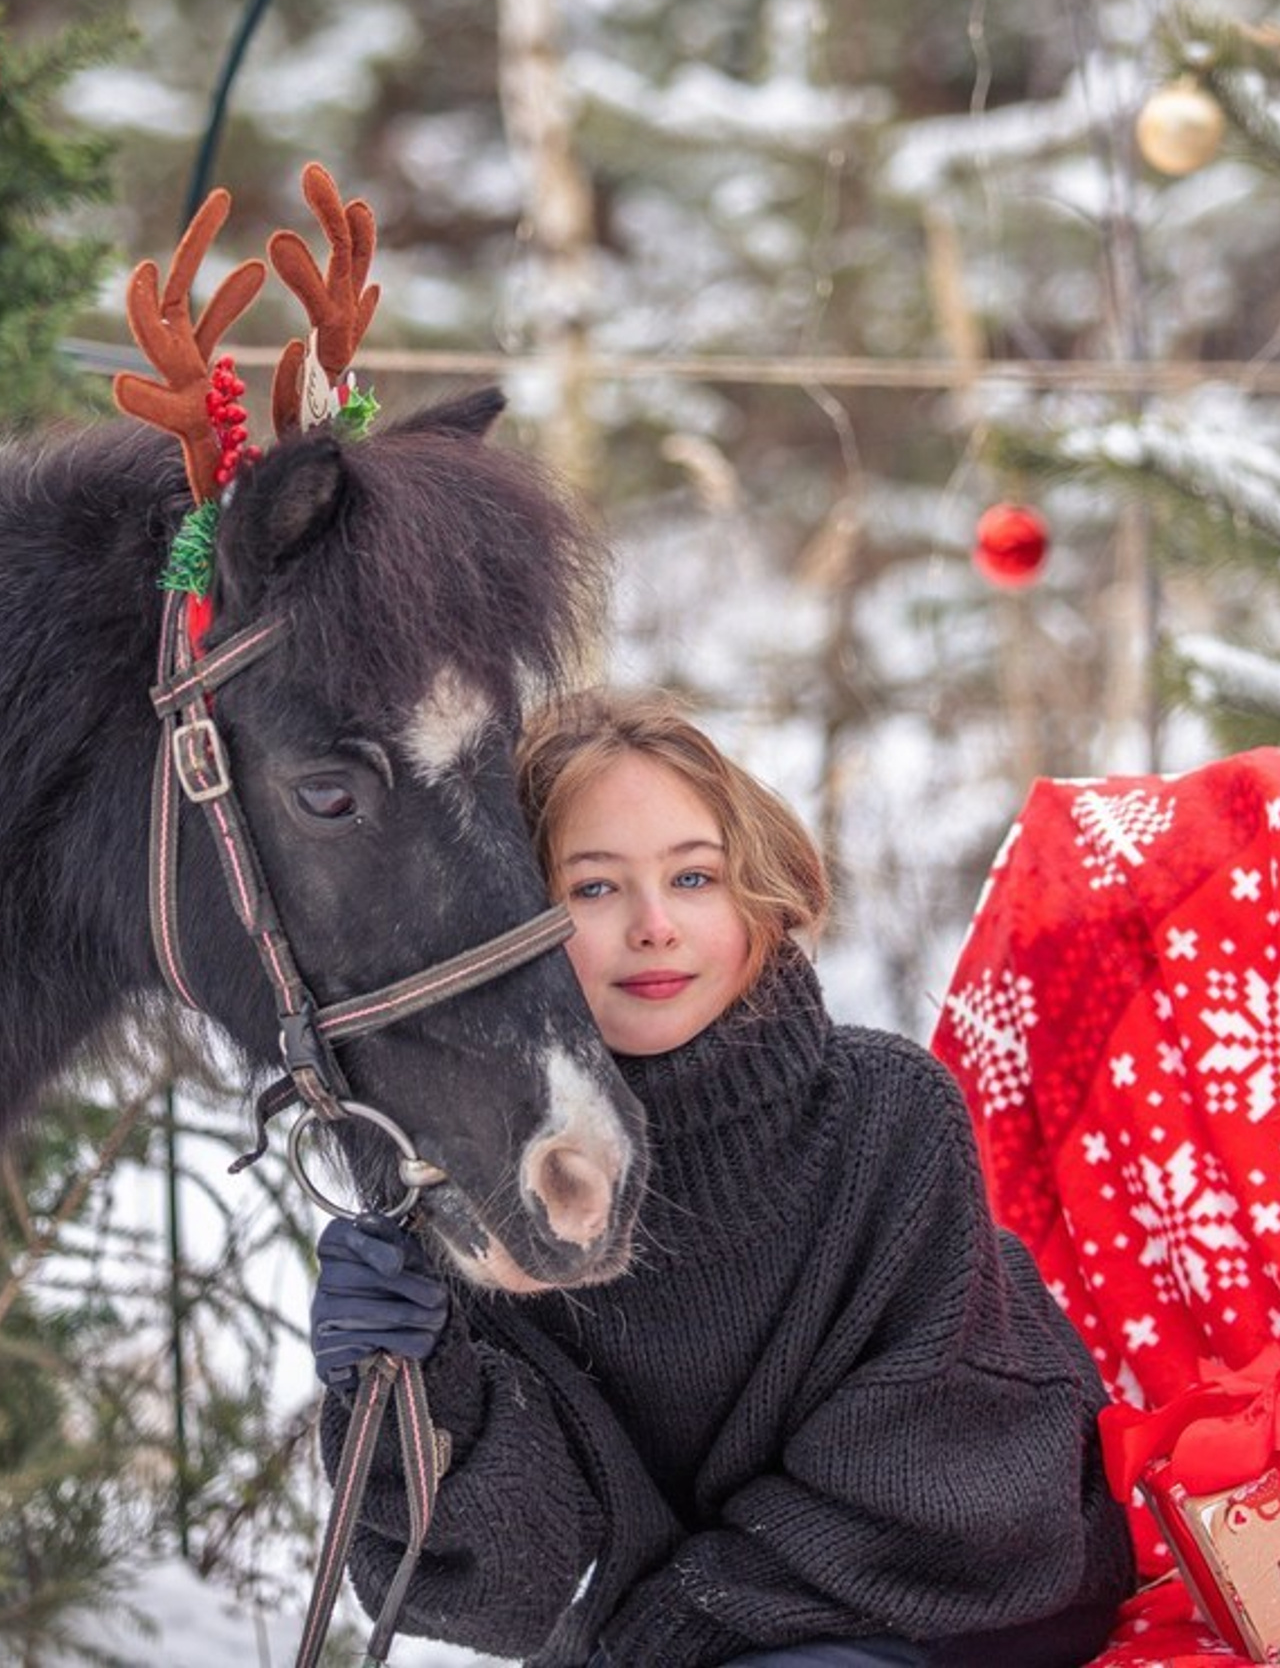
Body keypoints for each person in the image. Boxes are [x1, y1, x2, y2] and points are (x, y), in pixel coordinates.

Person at [311, 689, 1135, 1668]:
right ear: (504, 923)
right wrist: (412, 1383)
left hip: (940, 1605)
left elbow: (942, 1479)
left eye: (693, 878)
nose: (654, 925)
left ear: (754, 890)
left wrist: (679, 1623)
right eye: (592, 888)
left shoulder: (882, 1115)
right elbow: (508, 1588)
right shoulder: (488, 1185)